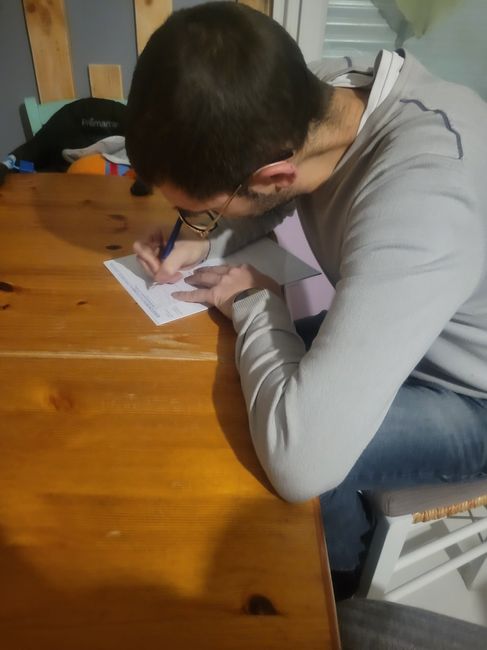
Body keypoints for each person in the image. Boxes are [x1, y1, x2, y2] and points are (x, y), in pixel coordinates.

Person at [125, 1, 487, 599]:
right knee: (226, 395)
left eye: (202, 208)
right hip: (406, 319)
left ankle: (336, 590)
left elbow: (303, 464)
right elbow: (268, 203)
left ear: (275, 175)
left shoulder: (424, 199)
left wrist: (255, 303)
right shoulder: (315, 96)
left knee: (300, 464)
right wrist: (198, 237)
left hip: (469, 392)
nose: (195, 219)